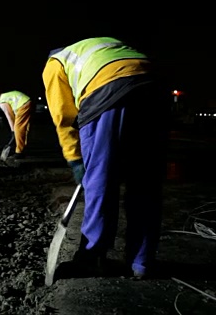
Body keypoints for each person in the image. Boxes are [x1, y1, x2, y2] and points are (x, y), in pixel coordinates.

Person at [42, 37, 168, 279]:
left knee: (100, 180)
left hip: (107, 91)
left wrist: (75, 158)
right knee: (145, 181)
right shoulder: (103, 45)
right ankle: (142, 261)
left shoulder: (54, 63)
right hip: (154, 88)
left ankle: (92, 256)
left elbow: (63, 118)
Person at [0, 90, 33, 159]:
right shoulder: (6, 96)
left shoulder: (2, 102)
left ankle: (19, 152)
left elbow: (9, 116)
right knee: (25, 127)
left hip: (23, 105)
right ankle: (23, 147)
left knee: (18, 128)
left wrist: (12, 131)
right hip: (29, 102)